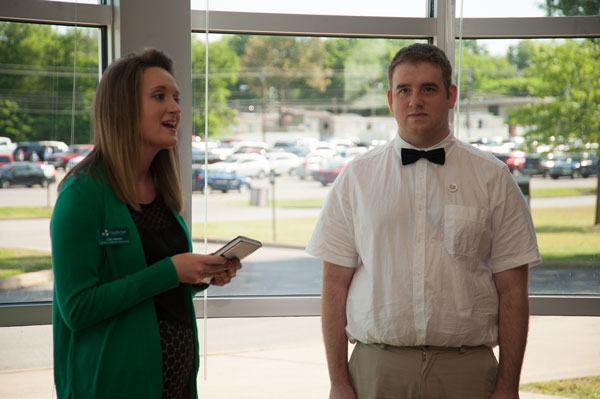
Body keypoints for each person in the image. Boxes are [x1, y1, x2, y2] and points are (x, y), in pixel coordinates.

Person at [306, 43, 541, 399]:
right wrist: (338, 381)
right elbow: (334, 286)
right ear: (390, 99)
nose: (415, 100)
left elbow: (512, 291)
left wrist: (509, 386)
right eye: (405, 90)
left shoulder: (492, 178)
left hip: (469, 372)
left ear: (450, 96)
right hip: (375, 369)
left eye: (428, 89)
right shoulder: (356, 178)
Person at [50, 48, 241, 399]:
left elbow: (152, 283)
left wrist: (199, 274)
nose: (176, 108)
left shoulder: (162, 190)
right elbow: (77, 309)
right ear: (123, 108)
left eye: (176, 98)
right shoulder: (82, 196)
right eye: (159, 97)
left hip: (175, 386)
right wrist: (171, 271)